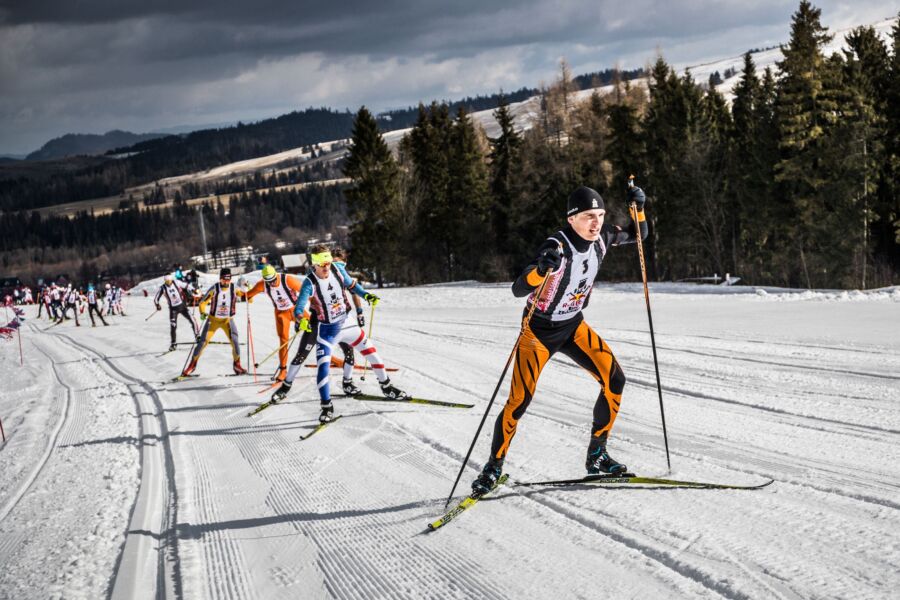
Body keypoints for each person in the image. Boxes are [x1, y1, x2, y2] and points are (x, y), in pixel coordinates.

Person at [470, 184, 649, 495]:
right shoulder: (558, 246)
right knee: (519, 400)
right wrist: (541, 271)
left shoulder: (603, 238)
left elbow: (639, 234)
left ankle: (597, 456)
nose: (597, 222)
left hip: (572, 327)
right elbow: (519, 287)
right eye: (589, 216)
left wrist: (639, 207)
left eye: (601, 215)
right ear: (572, 219)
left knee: (615, 380)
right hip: (538, 332)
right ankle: (493, 467)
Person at [282, 245, 406, 423]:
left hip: (348, 324)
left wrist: (366, 296)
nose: (326, 267)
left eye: (328, 262)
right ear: (314, 264)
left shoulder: (337, 270)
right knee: (323, 368)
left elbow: (352, 285)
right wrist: (300, 318)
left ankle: (386, 387)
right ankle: (326, 406)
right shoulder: (310, 282)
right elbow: (300, 306)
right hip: (328, 331)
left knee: (373, 355)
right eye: (322, 264)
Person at [182, 267, 248, 376]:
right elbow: (203, 302)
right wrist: (203, 313)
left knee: (235, 341)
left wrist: (247, 288)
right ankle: (192, 365)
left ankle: (237, 365)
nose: (226, 282)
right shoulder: (214, 289)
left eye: (228, 279)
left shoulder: (234, 288)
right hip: (213, 321)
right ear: (220, 278)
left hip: (228, 320)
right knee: (202, 343)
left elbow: (248, 298)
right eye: (223, 279)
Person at [242, 264, 303, 381]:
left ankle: (331, 360)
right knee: (283, 341)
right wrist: (244, 290)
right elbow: (247, 295)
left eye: (273, 280)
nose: (272, 283)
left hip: (296, 310)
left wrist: (316, 307)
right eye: (268, 281)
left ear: (276, 275)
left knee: (316, 332)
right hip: (281, 314)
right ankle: (283, 370)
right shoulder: (262, 285)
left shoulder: (287, 279)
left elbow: (307, 292)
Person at [155, 274, 198, 351]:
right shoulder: (162, 288)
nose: (168, 283)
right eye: (167, 281)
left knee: (193, 320)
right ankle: (173, 344)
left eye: (169, 281)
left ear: (171, 280)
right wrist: (157, 305)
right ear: (165, 281)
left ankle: (197, 336)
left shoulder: (176, 282)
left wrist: (193, 289)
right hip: (173, 309)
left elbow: (186, 285)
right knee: (173, 326)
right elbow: (156, 298)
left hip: (183, 306)